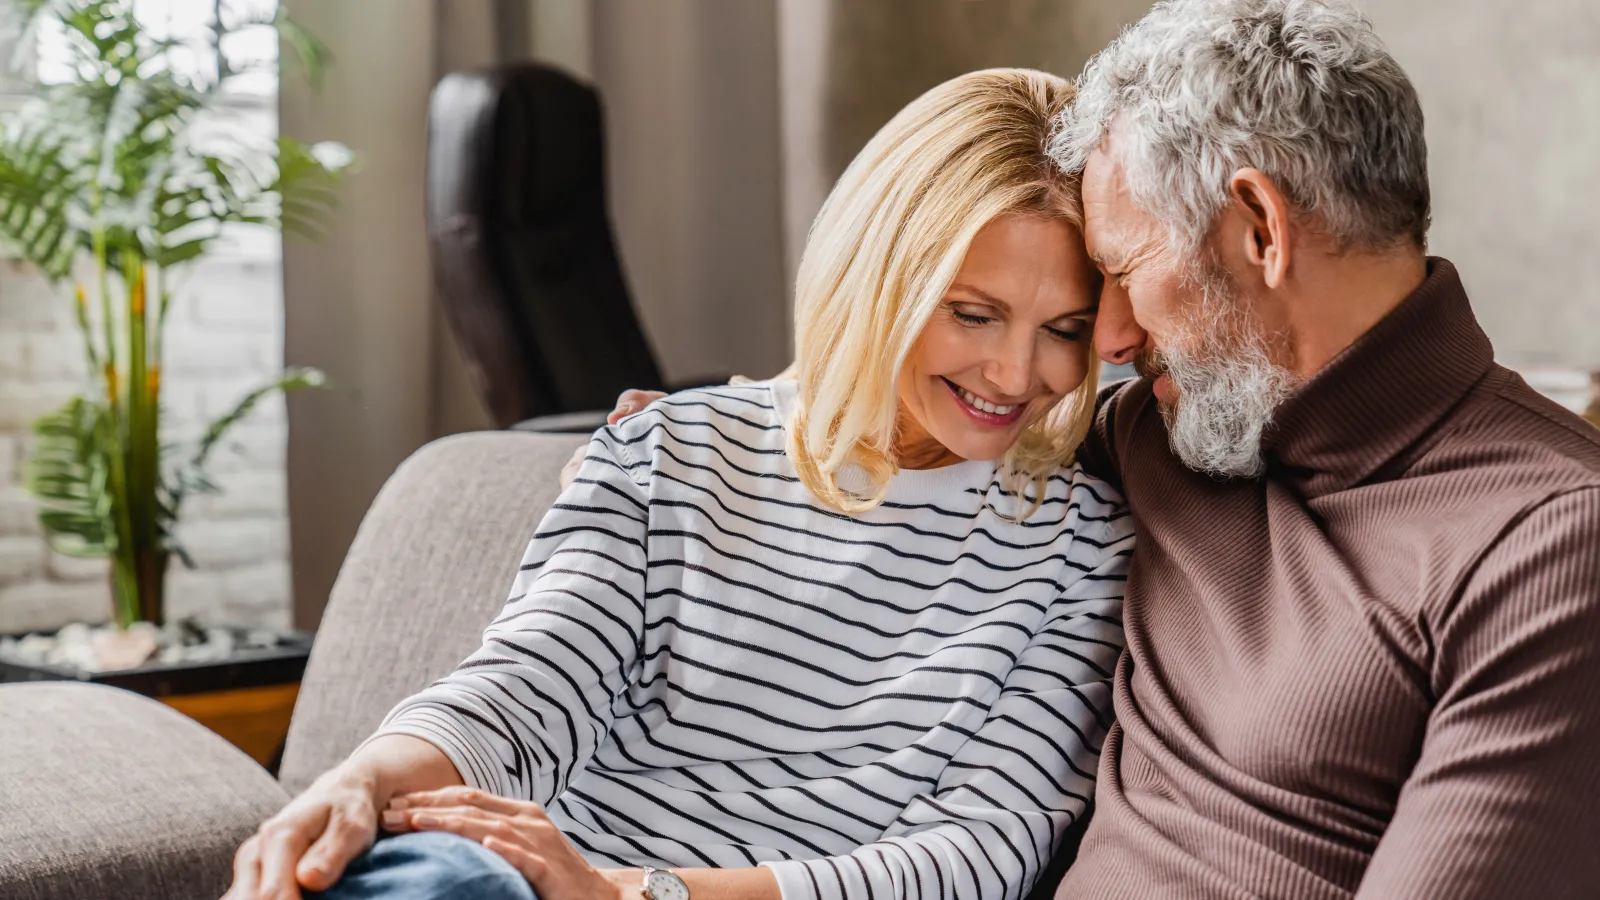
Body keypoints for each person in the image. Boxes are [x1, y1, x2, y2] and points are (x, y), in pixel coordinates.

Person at [596, 1, 1600, 897]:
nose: (1106, 341)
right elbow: (931, 403)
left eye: (1122, 271)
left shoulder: (1552, 546)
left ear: (1258, 228)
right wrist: (713, 423)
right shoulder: (1162, 430)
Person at [223, 69, 1135, 900]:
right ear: (878, 276)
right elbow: (528, 685)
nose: (1017, 374)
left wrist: (633, 896)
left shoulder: (1084, 545)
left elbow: (980, 852)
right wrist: (365, 778)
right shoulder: (667, 452)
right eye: (974, 314)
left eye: (1065, 327)